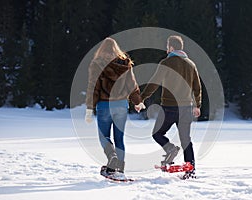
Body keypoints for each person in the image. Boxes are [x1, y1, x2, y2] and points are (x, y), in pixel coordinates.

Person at [138, 35, 202, 179]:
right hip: (186, 108)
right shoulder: (191, 64)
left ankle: (171, 149)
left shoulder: (166, 63)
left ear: (171, 47)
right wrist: (197, 105)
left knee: (157, 134)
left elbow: (154, 83)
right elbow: (197, 87)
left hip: (169, 107)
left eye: (167, 47)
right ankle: (190, 170)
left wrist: (141, 98)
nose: (167, 49)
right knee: (186, 140)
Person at [85, 37, 142, 180]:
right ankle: (119, 170)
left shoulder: (97, 64)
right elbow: (132, 85)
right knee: (119, 138)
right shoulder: (125, 64)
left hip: (104, 105)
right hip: (122, 105)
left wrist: (89, 108)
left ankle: (112, 158)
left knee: (103, 136)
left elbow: (93, 87)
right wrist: (137, 101)